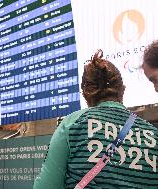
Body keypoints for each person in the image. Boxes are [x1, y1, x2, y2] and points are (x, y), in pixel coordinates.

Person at [33, 50, 158, 189]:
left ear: (86, 94)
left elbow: (47, 185)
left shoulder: (72, 125)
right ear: (122, 90)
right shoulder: (154, 134)